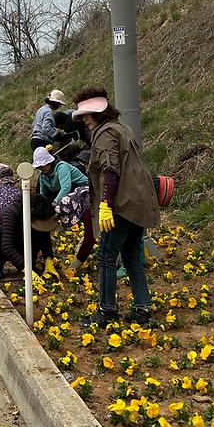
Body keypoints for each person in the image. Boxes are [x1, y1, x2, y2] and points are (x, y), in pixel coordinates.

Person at [72, 86, 160, 327]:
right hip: (138, 204)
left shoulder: (105, 134)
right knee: (132, 257)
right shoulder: (123, 128)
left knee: (106, 256)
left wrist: (106, 204)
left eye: (87, 115)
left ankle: (106, 310)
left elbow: (111, 169)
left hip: (121, 205)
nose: (84, 120)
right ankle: (142, 309)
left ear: (99, 113)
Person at [32, 146, 91, 276]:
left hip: (82, 191)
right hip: (67, 196)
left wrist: (53, 204)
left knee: (63, 203)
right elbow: (43, 194)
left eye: (44, 165)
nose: (42, 169)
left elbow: (66, 187)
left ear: (50, 162)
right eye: (39, 167)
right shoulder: (43, 176)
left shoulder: (62, 167)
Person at [0, 193, 57, 281]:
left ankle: (30, 264)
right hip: (2, 244)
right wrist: (26, 269)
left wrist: (48, 259)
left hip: (22, 241)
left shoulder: (39, 214)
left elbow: (45, 237)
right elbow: (7, 246)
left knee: (38, 231)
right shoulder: (12, 213)